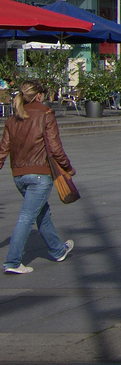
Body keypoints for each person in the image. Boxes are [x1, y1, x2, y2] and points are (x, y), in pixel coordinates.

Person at [1, 80, 74, 274]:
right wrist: (67, 168)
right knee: (26, 217)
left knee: (41, 212)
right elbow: (55, 148)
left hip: (19, 175)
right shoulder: (45, 114)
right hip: (40, 175)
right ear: (39, 95)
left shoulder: (12, 119)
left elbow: (3, 150)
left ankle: (58, 250)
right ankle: (13, 262)